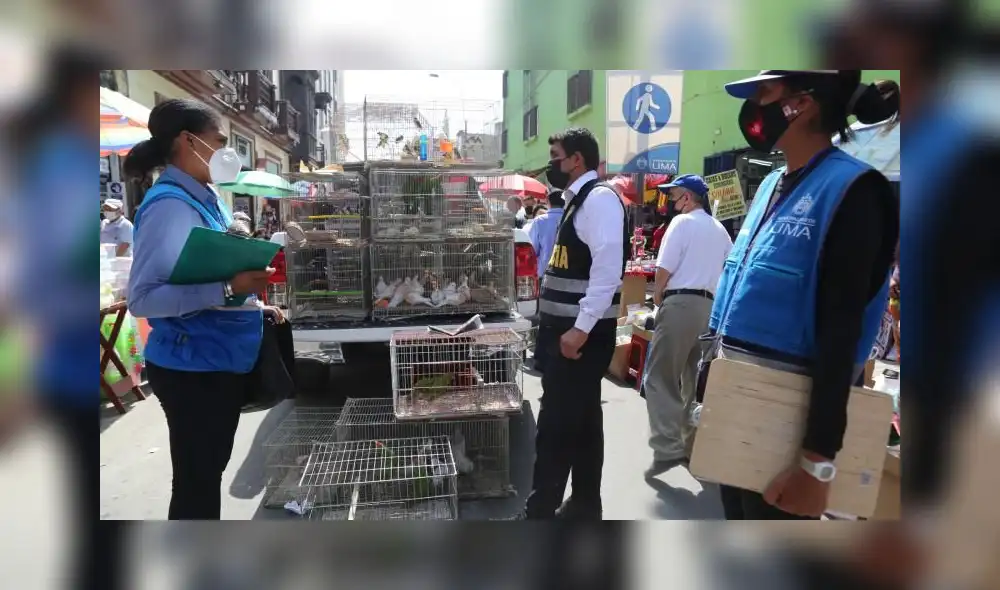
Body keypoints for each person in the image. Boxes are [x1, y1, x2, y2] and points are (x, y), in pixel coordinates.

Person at [706, 70, 900, 520]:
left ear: (803, 102)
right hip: (737, 419)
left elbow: (840, 336)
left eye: (763, 92)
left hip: (788, 438)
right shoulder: (772, 187)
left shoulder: (854, 192)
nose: (753, 106)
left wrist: (817, 466)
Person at [124, 98, 284, 520]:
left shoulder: (205, 198)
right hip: (192, 367)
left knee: (206, 473)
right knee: (197, 484)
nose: (225, 152)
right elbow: (143, 298)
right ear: (187, 141)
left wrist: (249, 301)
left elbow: (198, 271)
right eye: (219, 141)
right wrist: (229, 285)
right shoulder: (169, 206)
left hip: (215, 360)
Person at [519, 127, 627, 520]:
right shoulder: (578, 202)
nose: (552, 166)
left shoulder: (598, 201)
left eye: (555, 157)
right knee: (582, 424)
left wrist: (578, 330)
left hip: (577, 342)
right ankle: (584, 504)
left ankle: (538, 514)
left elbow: (606, 272)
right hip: (568, 338)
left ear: (577, 159)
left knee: (555, 429)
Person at [643, 174, 733, 475]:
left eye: (674, 195)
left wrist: (658, 297)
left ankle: (668, 446)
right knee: (691, 381)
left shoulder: (682, 224)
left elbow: (664, 268)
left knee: (659, 377)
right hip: (710, 308)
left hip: (680, 303)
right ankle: (689, 445)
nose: (670, 201)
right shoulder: (720, 230)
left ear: (688, 197)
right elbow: (729, 271)